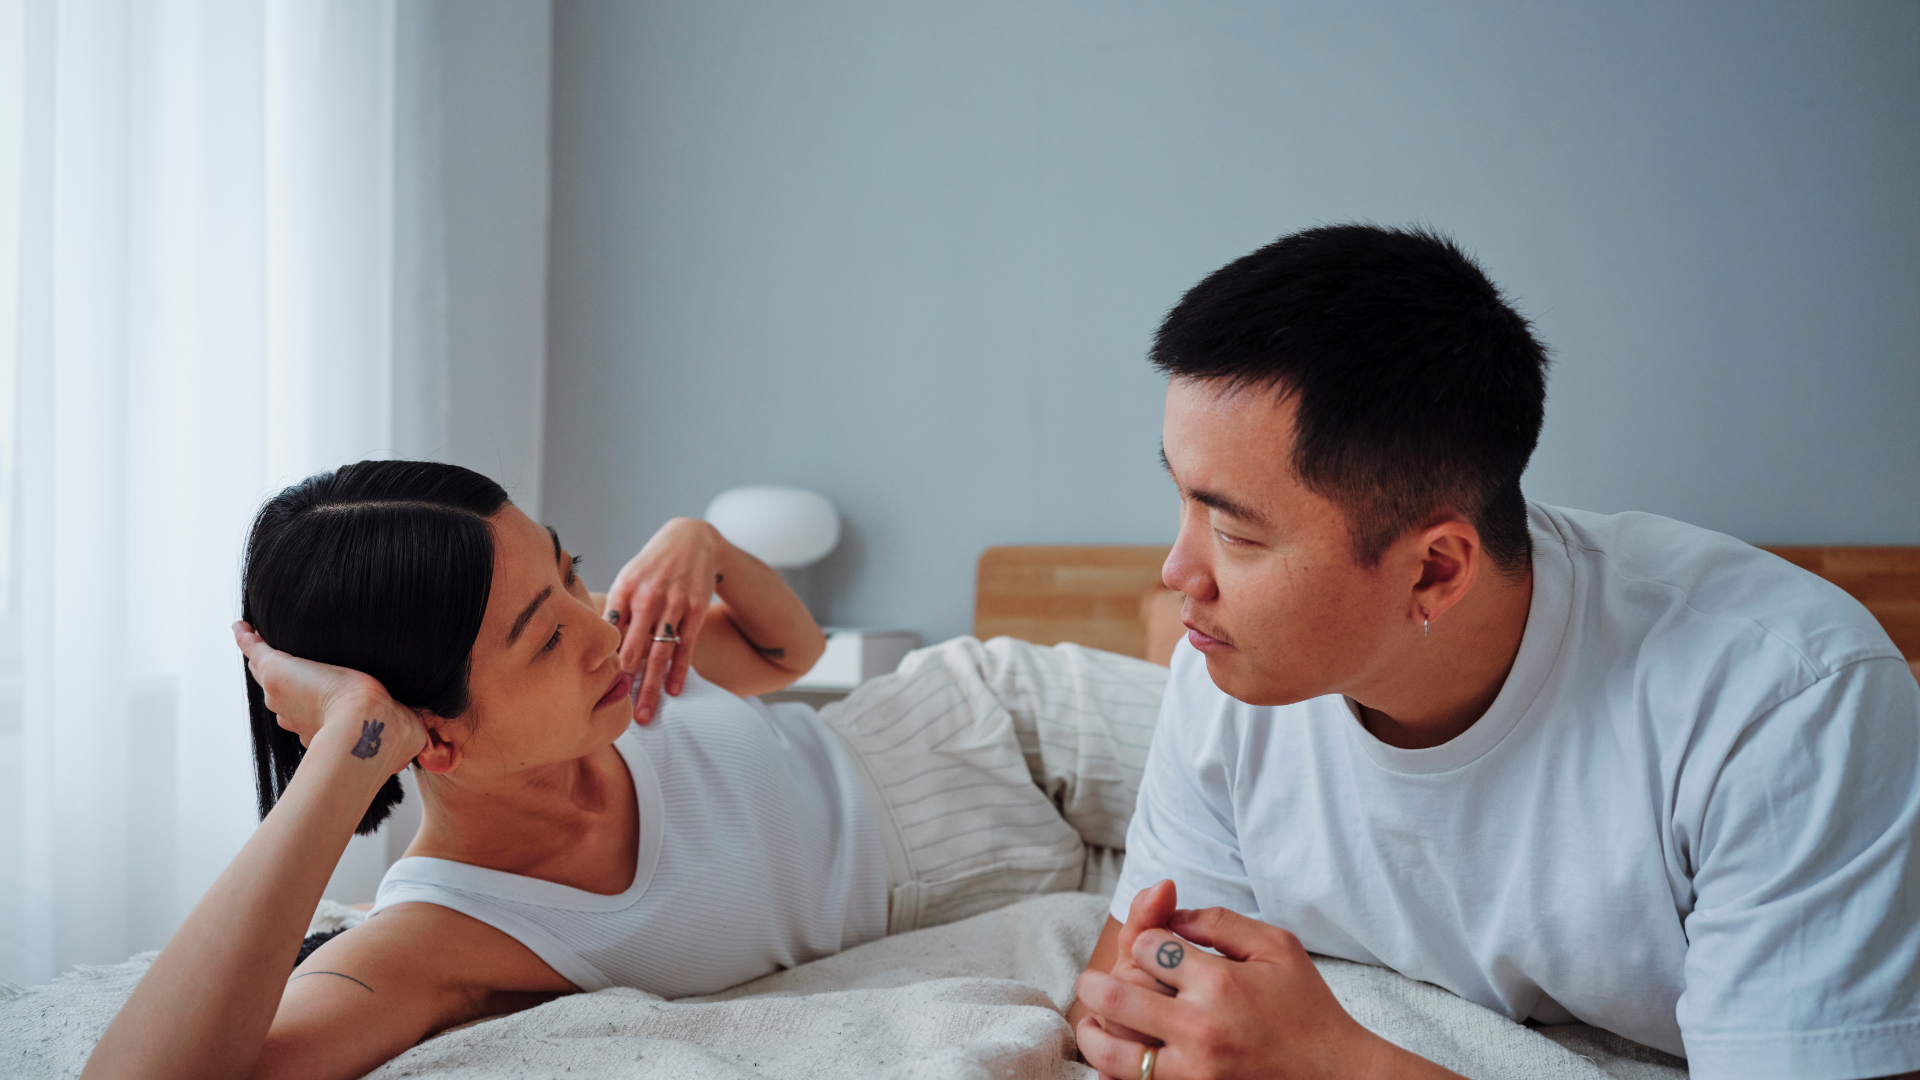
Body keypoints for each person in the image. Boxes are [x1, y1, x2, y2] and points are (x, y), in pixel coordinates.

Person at [1067, 225, 1920, 1080]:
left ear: (1435, 570)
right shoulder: (1225, 672)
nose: (1178, 572)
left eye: (1230, 530)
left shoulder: (1789, 704)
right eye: (1179, 495)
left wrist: (1339, 1065)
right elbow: (1127, 1011)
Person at [82, 459, 1168, 1080]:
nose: (595, 629)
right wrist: (345, 746)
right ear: (429, 734)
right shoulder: (442, 933)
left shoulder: (620, 675)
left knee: (1315, 772)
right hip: (1016, 883)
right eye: (543, 636)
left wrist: (709, 545)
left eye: (570, 574)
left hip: (992, 731)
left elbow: (788, 653)